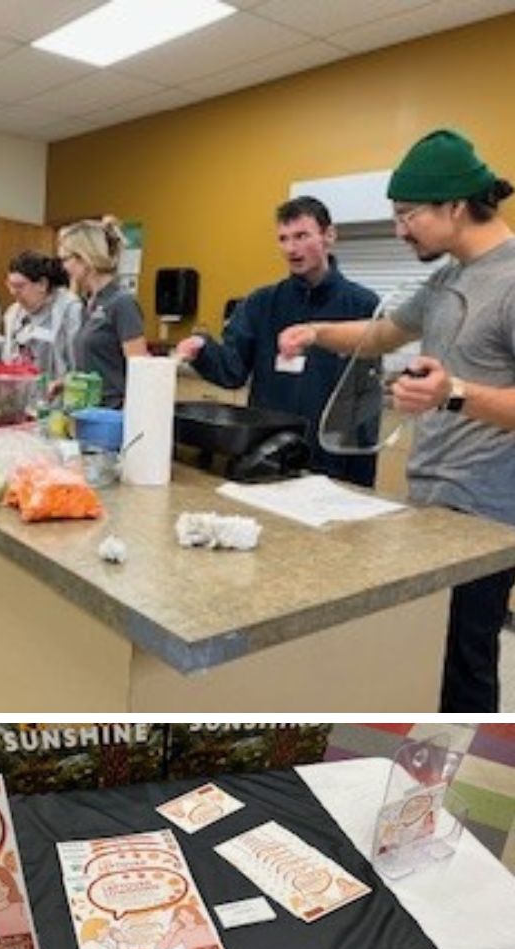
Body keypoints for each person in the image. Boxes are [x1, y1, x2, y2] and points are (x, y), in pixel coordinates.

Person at [278, 129, 515, 712]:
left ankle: (461, 786)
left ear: (455, 206)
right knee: (425, 654)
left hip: (488, 515)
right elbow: (385, 333)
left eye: (408, 215)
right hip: (431, 501)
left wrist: (453, 393)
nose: (399, 228)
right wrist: (317, 332)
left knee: (465, 664)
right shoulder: (448, 276)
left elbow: (455, 391)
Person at [176, 196, 381, 485]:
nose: (291, 248)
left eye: (301, 236)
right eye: (283, 239)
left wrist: (360, 479)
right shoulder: (261, 304)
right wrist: (203, 349)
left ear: (329, 236)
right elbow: (232, 370)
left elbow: (365, 401)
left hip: (329, 460)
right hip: (266, 454)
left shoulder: (362, 305)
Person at [57, 217, 148, 407]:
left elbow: (140, 371)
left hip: (112, 414)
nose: (63, 267)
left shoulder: (122, 303)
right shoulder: (88, 304)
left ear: (85, 258)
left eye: (66, 259)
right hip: (87, 409)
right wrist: (66, 383)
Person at [0, 251, 82, 382]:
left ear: (42, 284)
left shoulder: (68, 309)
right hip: (23, 392)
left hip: (59, 390)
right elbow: (14, 349)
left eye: (19, 286)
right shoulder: (14, 313)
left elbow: (77, 359)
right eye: (10, 285)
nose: (13, 292)